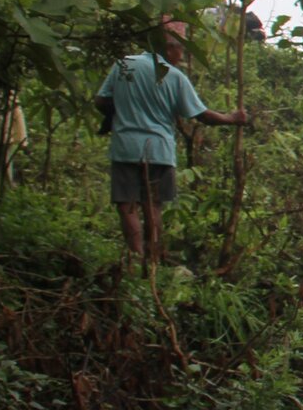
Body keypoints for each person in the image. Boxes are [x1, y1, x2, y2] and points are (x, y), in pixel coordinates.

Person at [95, 23, 249, 265]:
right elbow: (203, 116)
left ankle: (136, 258)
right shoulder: (175, 77)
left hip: (126, 147)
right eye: (180, 50)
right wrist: (233, 118)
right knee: (153, 205)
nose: (182, 56)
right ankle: (154, 258)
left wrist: (123, 111)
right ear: (168, 48)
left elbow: (101, 101)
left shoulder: (125, 65)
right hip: (159, 151)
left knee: (127, 206)